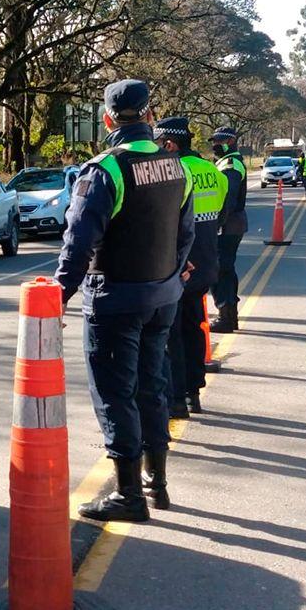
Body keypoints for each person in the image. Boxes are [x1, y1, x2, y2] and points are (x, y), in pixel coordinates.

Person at [55, 79, 194, 521]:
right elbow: (185, 233)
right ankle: (158, 485)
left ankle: (128, 495)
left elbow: (78, 242)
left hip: (115, 299)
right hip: (162, 297)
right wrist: (173, 272)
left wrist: (59, 295)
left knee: (115, 395)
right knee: (152, 388)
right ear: (151, 116)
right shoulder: (178, 167)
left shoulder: (105, 171)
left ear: (108, 119)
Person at [155, 117, 228, 421]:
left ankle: (176, 398)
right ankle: (193, 392)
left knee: (172, 334)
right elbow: (220, 215)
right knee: (195, 327)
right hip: (206, 263)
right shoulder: (213, 171)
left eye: (159, 145)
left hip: (178, 265)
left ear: (170, 144)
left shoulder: (173, 172)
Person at [208, 126, 248, 334]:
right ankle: (230, 316)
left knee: (220, 269)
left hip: (228, 223)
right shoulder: (225, 162)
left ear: (230, 141)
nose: (214, 145)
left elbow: (228, 199)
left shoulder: (232, 164)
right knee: (226, 268)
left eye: (218, 141)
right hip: (231, 223)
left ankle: (225, 315)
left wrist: (217, 223)